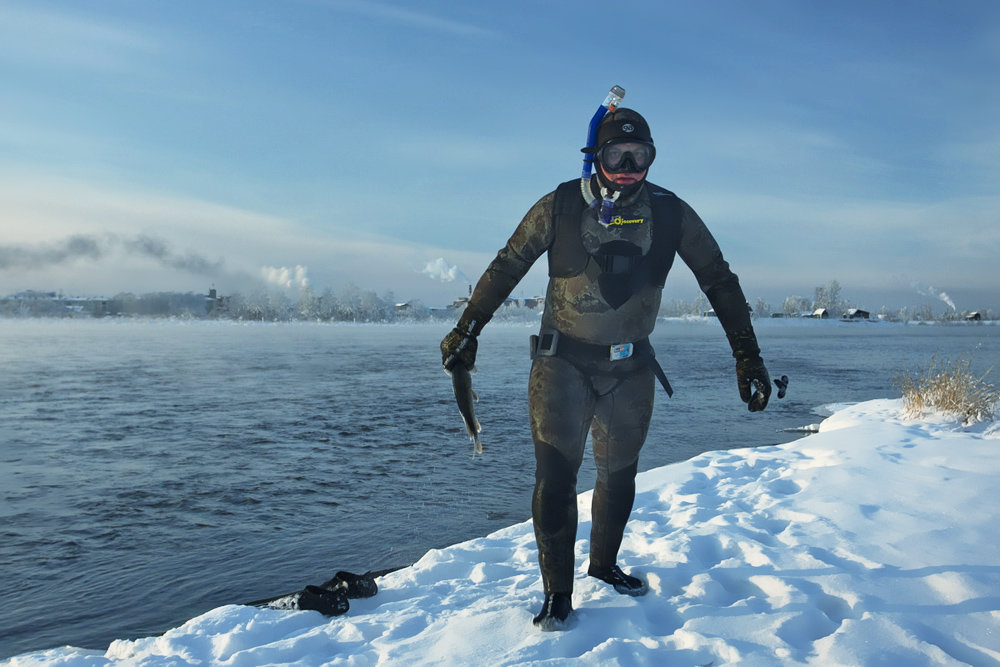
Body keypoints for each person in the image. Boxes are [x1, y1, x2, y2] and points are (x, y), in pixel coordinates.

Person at [440, 107, 772, 631]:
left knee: (619, 476)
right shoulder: (562, 205)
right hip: (561, 366)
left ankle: (603, 564)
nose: (628, 167)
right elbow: (508, 264)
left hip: (630, 369)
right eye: (617, 154)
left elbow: (719, 279)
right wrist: (466, 330)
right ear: (595, 155)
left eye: (640, 156)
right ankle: (558, 593)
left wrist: (746, 354)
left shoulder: (670, 212)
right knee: (555, 479)